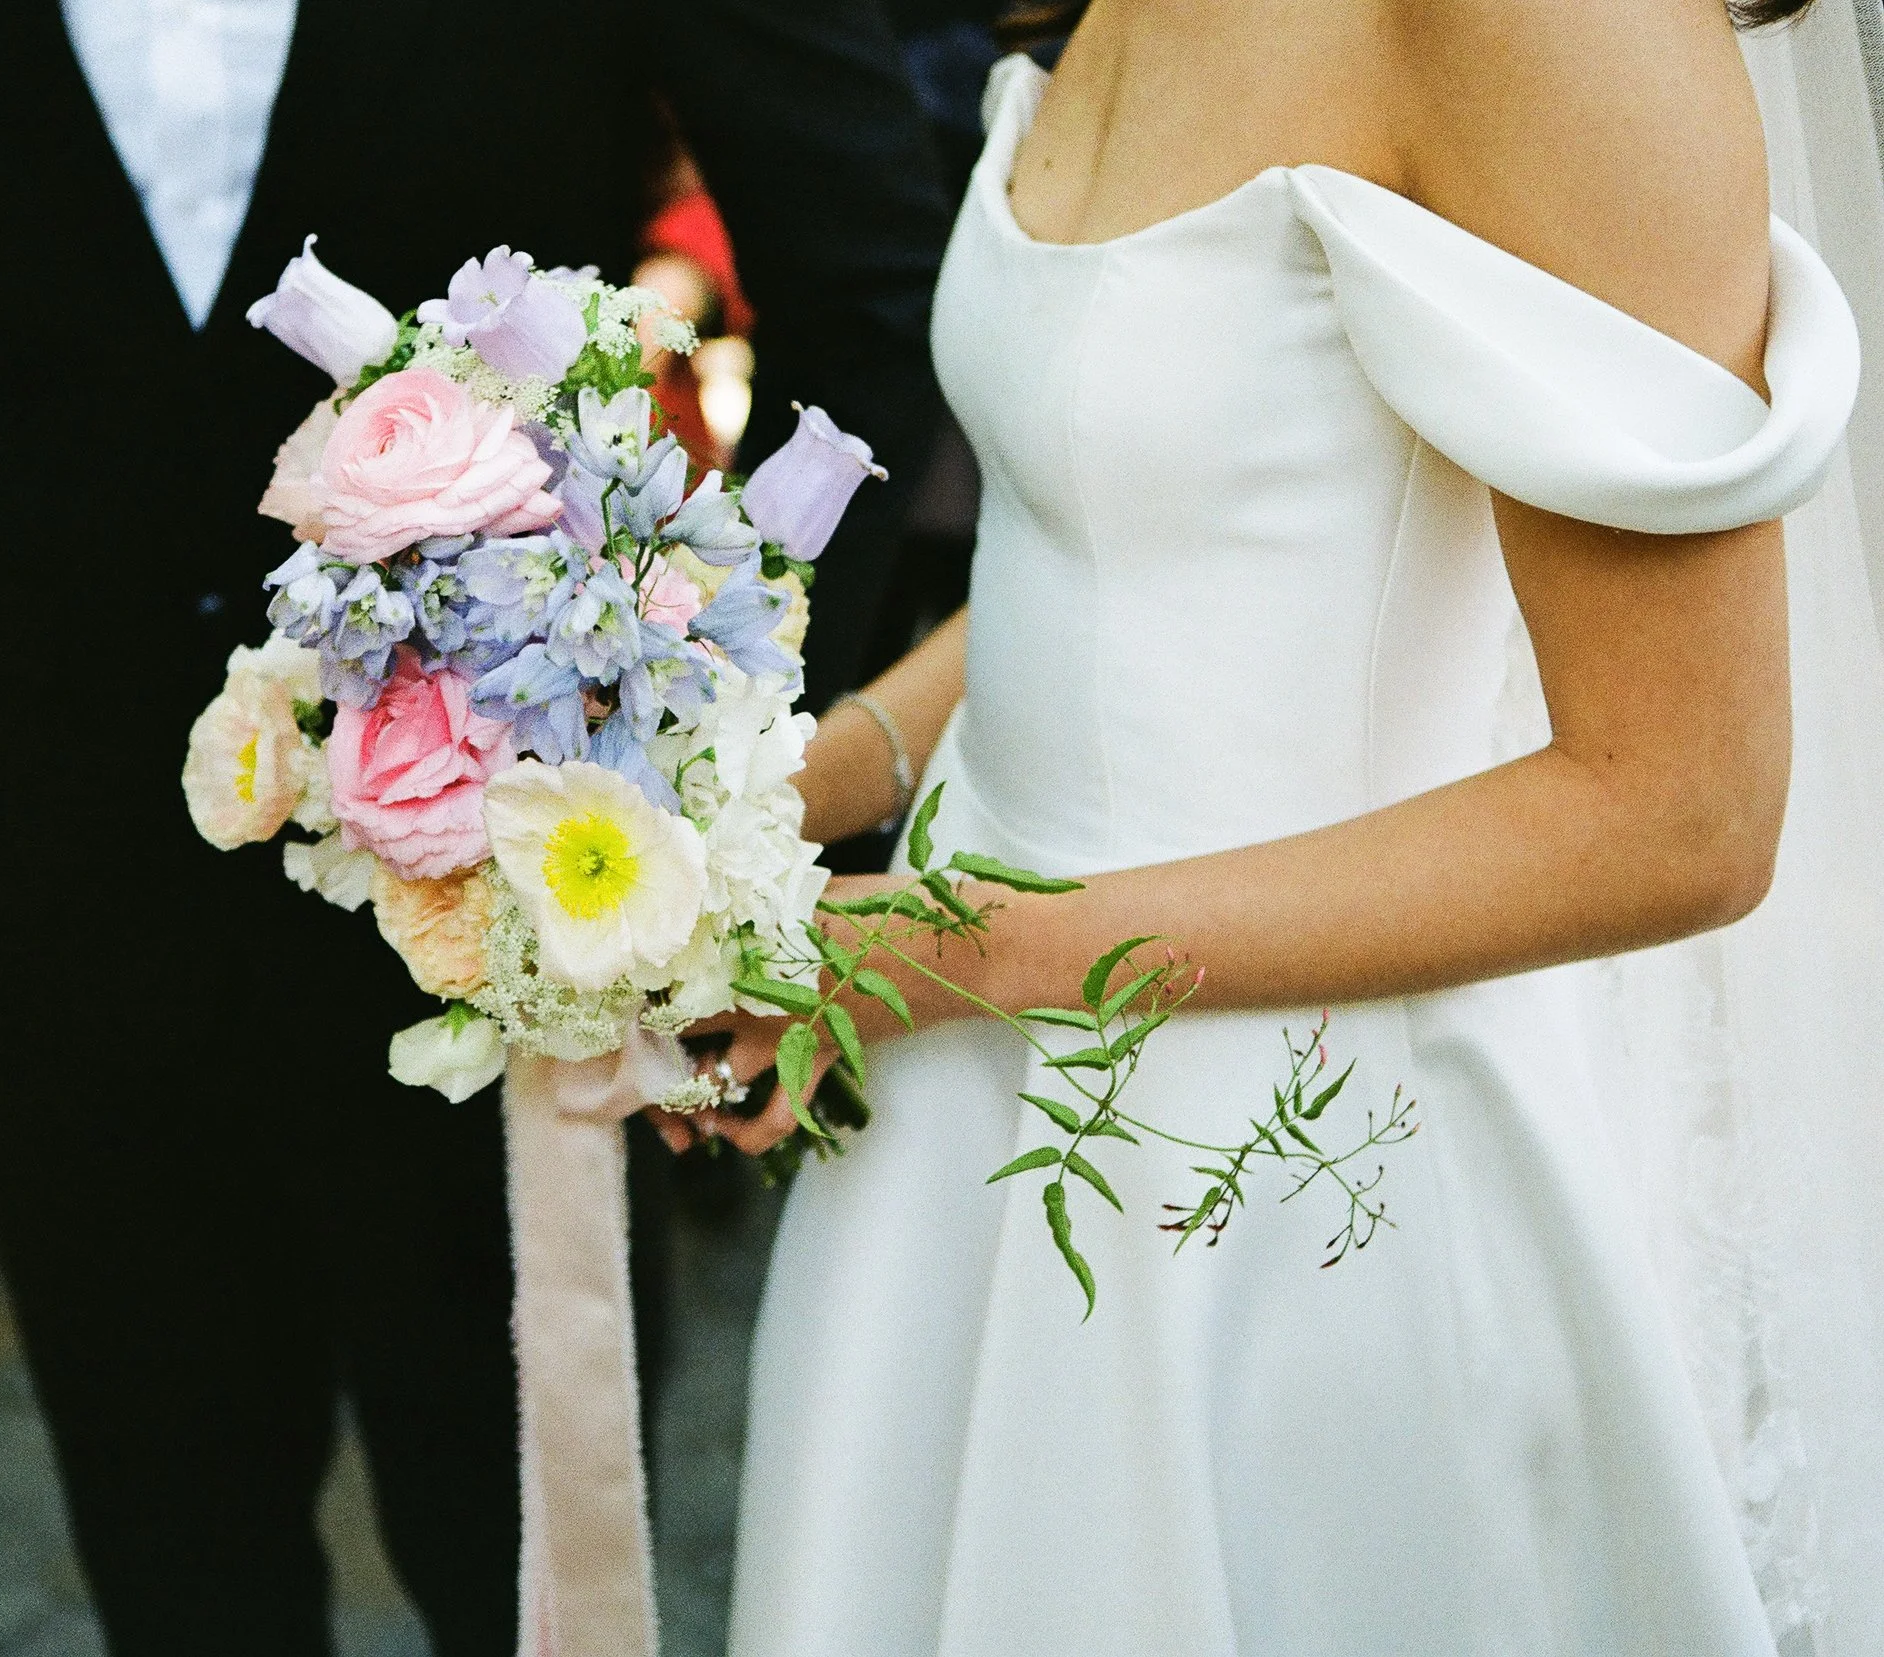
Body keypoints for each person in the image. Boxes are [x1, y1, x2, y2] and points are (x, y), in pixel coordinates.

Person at [679, 0, 1884, 1651]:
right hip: (963, 1099)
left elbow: (1682, 813)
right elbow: (1119, 534)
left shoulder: (1555, 29)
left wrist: (965, 952)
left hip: (1281, 1179)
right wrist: (769, 802)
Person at [0, 1, 950, 1648]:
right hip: (66, 822)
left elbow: (870, 272)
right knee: (172, 1537)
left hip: (514, 857)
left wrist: (715, 722)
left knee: (532, 1536)